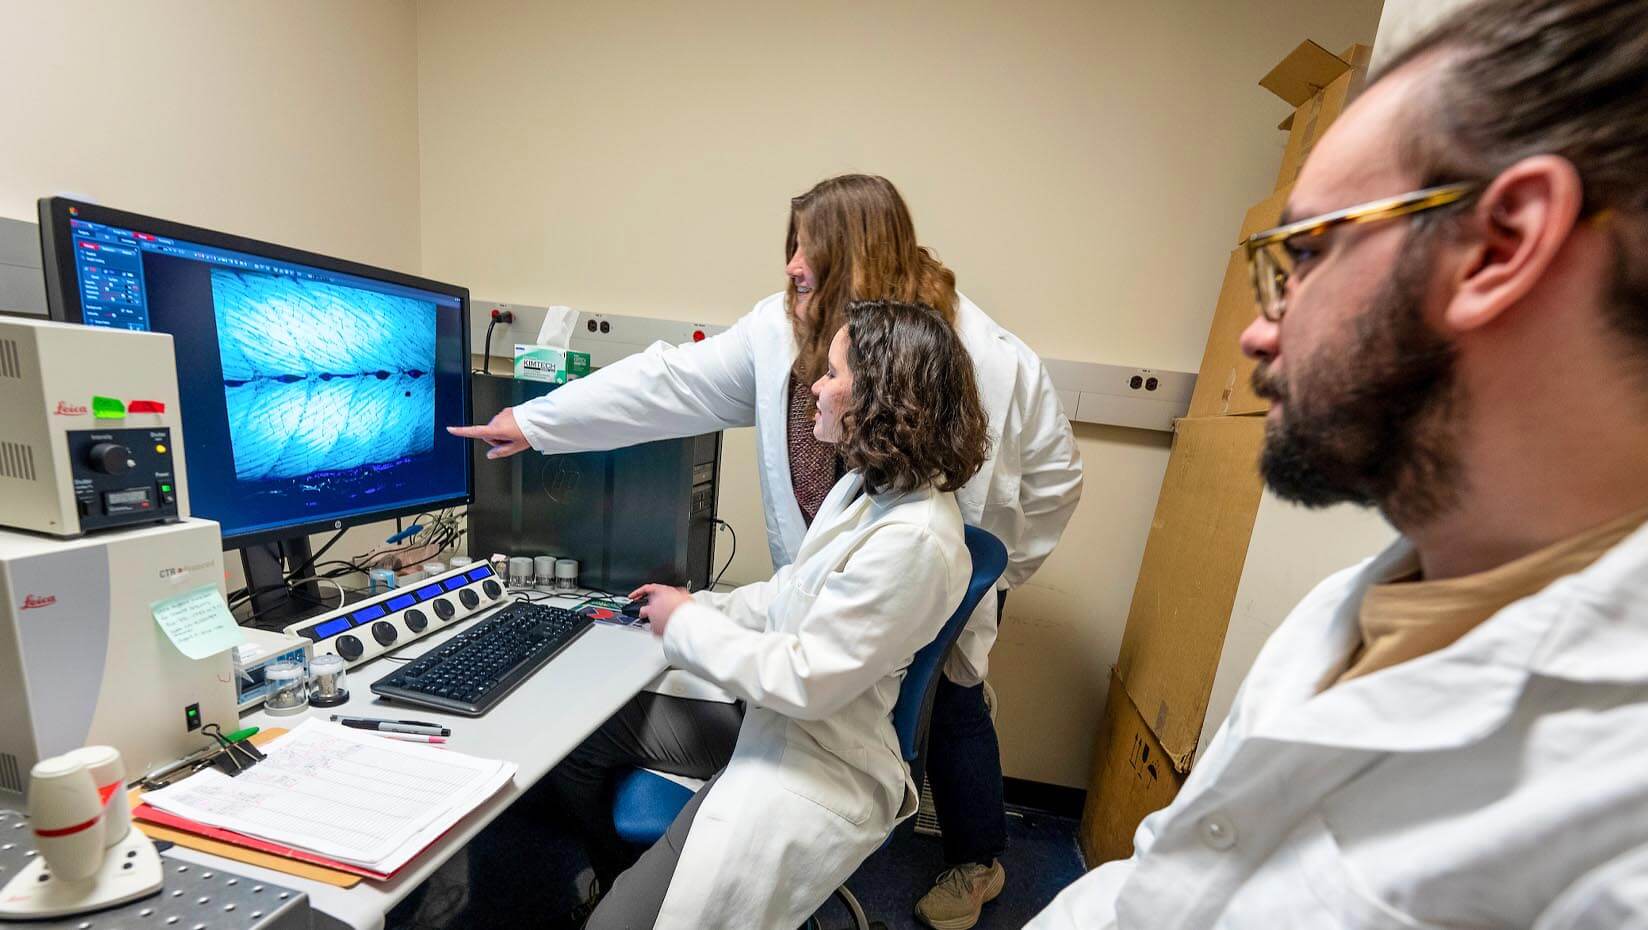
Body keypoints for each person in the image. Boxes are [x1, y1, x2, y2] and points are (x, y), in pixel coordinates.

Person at [1029, 0, 1648, 926]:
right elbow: (1157, 887)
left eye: (1307, 253)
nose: (1257, 328)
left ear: (1500, 245)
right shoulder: (1355, 609)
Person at [452, 173, 1083, 927]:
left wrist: (990, 575)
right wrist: (539, 423)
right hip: (811, 663)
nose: (790, 265)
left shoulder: (969, 380)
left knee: (946, 706)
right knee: (608, 734)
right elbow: (668, 384)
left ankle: (973, 859)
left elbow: (1052, 484)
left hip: (830, 717)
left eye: (806, 249)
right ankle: (635, 882)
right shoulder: (847, 451)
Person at [547, 299, 989, 928]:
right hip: (772, 720)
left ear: (884, 398)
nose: (815, 386)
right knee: (580, 739)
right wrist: (697, 605)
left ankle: (627, 906)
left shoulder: (916, 541)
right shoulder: (866, 489)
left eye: (834, 374)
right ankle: (624, 883)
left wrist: (687, 626)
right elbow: (789, 594)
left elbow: (806, 679)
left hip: (819, 760)